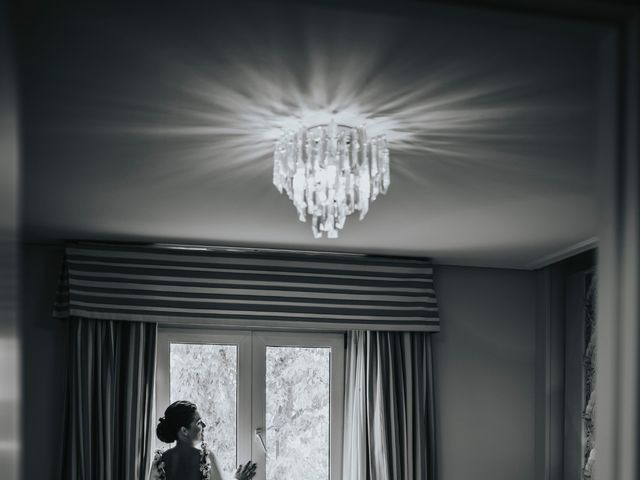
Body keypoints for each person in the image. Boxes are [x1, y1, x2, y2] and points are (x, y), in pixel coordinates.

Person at [150, 400, 257, 480]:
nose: (204, 425)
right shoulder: (206, 458)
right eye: (199, 422)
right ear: (184, 431)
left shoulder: (160, 462)